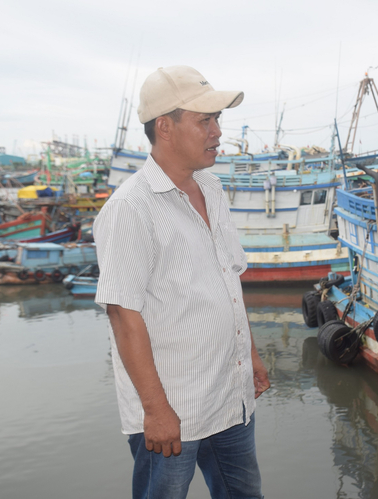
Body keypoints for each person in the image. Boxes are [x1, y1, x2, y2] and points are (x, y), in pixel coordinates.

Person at [94, 65, 270, 499]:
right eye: (205, 121)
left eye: (217, 120)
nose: (217, 132)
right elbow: (122, 312)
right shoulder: (130, 209)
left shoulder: (211, 188)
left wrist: (249, 357)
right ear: (165, 127)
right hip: (173, 410)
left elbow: (229, 281)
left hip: (229, 396)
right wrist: (155, 411)